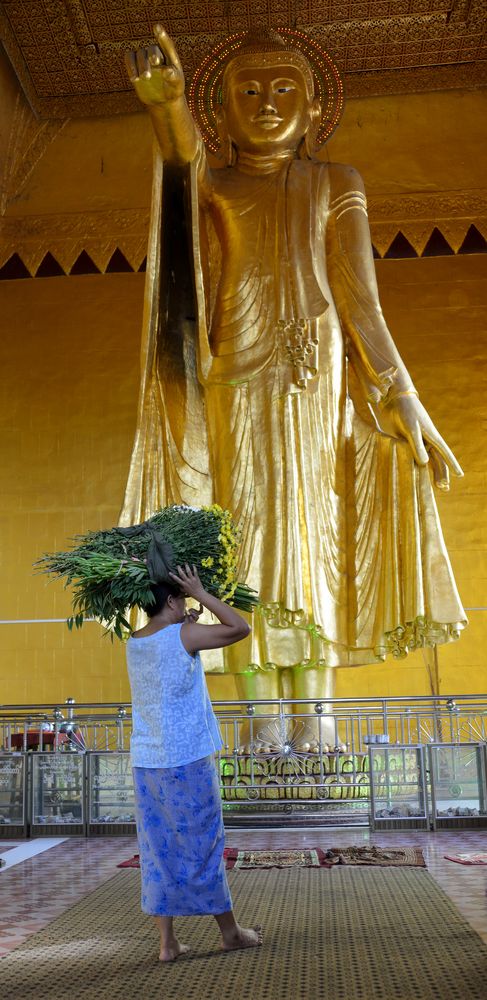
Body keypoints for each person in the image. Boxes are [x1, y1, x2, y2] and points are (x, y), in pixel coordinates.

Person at [121, 26, 466, 710]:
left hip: (315, 378)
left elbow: (358, 298)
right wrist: (166, 111)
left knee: (313, 536)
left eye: (286, 90)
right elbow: (180, 175)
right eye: (247, 92)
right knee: (242, 538)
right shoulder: (214, 184)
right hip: (232, 382)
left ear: (313, 111)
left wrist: (398, 392)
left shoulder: (336, 183)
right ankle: (262, 721)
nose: (268, 103)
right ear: (218, 114)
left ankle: (318, 716)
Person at [126, 563, 262, 960]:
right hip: (186, 758)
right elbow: (239, 628)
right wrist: (203, 594)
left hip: (148, 760)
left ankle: (168, 943)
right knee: (204, 843)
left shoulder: (135, 640)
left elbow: (170, 645)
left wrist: (184, 620)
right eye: (182, 596)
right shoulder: (183, 635)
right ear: (172, 599)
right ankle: (230, 933)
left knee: (158, 849)